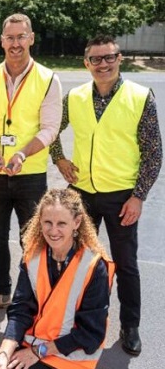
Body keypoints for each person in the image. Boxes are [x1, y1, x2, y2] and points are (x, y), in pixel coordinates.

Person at [49, 35, 163, 356]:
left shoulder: (140, 97)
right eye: (96, 59)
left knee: (126, 264)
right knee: (76, 259)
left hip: (121, 196)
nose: (103, 64)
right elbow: (50, 129)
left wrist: (138, 196)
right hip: (82, 193)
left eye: (109, 57)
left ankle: (130, 325)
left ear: (119, 58)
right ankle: (75, 318)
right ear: (86, 63)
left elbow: (154, 154)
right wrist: (58, 158)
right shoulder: (75, 97)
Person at [0, 13, 62, 313]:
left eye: (21, 36)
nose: (15, 43)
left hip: (30, 175)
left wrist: (22, 153)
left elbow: (50, 129)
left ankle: (32, 297)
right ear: (2, 41)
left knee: (32, 239)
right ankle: (1, 292)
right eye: (9, 38)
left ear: (31, 38)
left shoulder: (49, 79)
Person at [0, 188, 115, 369]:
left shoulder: (94, 266)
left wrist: (38, 352)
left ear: (77, 222)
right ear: (40, 221)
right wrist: (3, 353)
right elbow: (20, 310)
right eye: (48, 222)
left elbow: (91, 334)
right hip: (33, 346)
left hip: (69, 356)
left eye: (61, 223)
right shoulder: (32, 257)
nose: (53, 231)